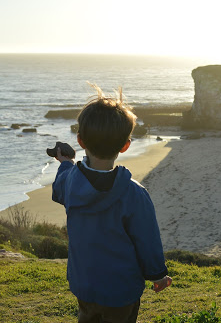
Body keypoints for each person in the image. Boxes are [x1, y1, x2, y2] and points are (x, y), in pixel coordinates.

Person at [52, 84, 172, 323]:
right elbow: (147, 240)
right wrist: (158, 275)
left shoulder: (68, 183)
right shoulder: (134, 194)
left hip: (84, 284)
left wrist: (65, 162)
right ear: (125, 145)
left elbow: (58, 190)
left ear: (80, 141)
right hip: (121, 290)